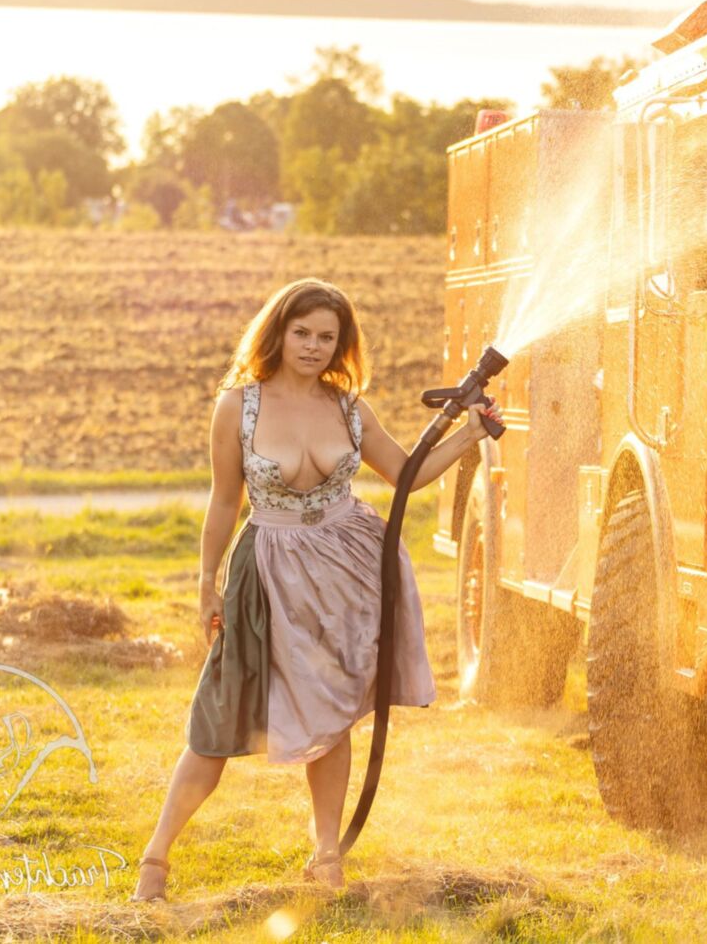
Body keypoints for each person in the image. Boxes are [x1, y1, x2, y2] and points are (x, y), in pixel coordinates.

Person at [130, 277, 500, 901]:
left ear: (341, 344)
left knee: (332, 712)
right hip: (268, 571)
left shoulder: (349, 408)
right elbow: (225, 501)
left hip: (347, 570)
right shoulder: (238, 406)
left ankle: (326, 853)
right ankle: (155, 859)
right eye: (302, 332)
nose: (312, 346)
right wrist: (206, 581)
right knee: (220, 709)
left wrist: (469, 435)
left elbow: (407, 475)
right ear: (278, 332)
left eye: (327, 337)